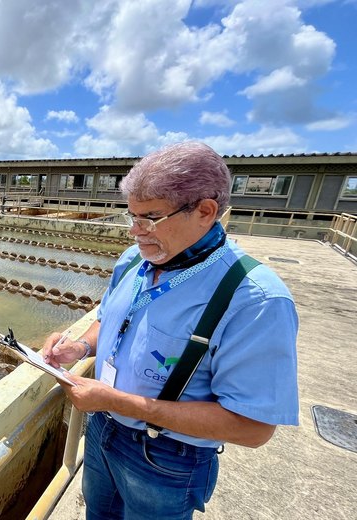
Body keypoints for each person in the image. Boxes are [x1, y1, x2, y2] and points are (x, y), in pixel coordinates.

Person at [42, 142, 299, 520]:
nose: (135, 231)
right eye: (130, 216)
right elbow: (111, 320)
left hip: (165, 457)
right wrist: (80, 347)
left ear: (205, 211)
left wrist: (116, 401)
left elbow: (253, 427)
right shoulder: (134, 261)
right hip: (102, 432)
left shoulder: (255, 300)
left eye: (149, 218)